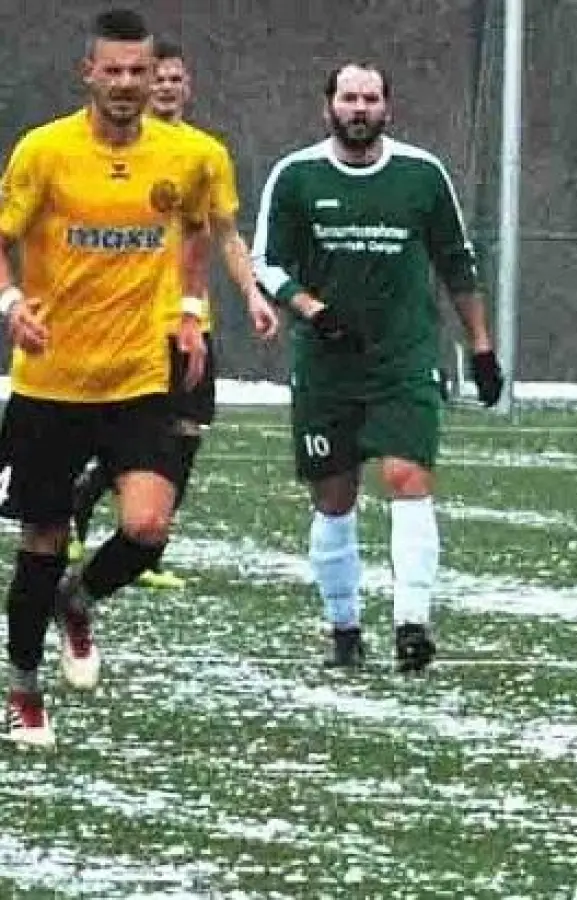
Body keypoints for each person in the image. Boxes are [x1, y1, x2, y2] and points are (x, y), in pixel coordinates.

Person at [0, 8, 215, 748]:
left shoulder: (182, 157)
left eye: (139, 72)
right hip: (52, 382)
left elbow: (193, 231)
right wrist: (10, 303)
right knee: (43, 537)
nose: (126, 84)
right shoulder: (44, 152)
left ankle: (80, 601)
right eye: (113, 71)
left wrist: (189, 309)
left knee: (149, 525)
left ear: (156, 78)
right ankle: (24, 690)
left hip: (138, 379)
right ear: (87, 73)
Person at [251, 62, 504, 672]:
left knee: (407, 481)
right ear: (328, 106)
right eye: (348, 98)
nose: (359, 108)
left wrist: (482, 347)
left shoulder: (421, 175)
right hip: (327, 365)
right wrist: (311, 309)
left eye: (370, 98)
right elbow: (267, 261)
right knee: (334, 498)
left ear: (388, 108)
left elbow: (457, 264)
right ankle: (344, 628)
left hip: (404, 358)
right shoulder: (297, 175)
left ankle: (412, 625)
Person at [67, 38, 281, 590]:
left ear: (187, 87)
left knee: (184, 435)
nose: (162, 87)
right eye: (155, 78)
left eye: (172, 79)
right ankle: (83, 507)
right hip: (126, 326)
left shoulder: (204, 153)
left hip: (189, 326)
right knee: (121, 430)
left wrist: (253, 294)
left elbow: (227, 234)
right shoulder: (107, 147)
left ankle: (144, 543)